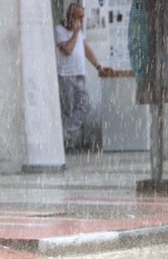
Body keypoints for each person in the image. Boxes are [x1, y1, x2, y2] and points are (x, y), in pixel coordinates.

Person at [54, 2, 111, 150]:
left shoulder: (79, 33)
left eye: (83, 17)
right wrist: (74, 33)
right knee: (68, 109)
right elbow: (67, 50)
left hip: (79, 75)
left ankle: (64, 132)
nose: (81, 20)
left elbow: (86, 49)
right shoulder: (60, 30)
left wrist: (98, 66)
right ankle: (67, 143)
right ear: (70, 16)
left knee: (85, 105)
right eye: (79, 17)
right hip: (66, 75)